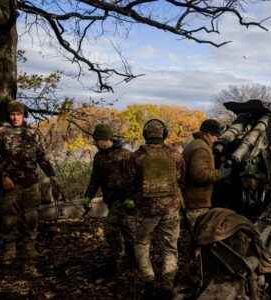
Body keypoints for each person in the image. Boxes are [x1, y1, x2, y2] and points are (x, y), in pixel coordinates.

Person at [0, 100, 58, 276]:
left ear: (23, 115)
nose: (15, 117)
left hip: (30, 183)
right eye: (12, 114)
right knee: (9, 219)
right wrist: (3, 176)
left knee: (31, 218)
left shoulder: (32, 132)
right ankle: (10, 251)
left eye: (18, 114)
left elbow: (41, 156)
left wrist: (52, 174)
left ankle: (30, 251)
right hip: (10, 184)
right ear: (8, 115)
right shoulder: (0, 132)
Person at [128, 119, 184, 298]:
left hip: (147, 211)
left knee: (142, 243)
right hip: (171, 209)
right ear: (164, 134)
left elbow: (130, 183)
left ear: (145, 134)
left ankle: (149, 281)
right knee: (170, 246)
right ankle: (167, 284)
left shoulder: (137, 156)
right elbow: (181, 178)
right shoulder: (175, 155)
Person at [83, 124, 134, 268]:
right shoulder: (99, 157)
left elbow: (134, 178)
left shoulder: (125, 155)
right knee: (126, 229)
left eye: (97, 140)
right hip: (110, 199)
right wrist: (88, 196)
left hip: (124, 198)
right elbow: (95, 179)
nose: (95, 143)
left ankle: (117, 257)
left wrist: (131, 198)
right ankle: (131, 258)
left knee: (111, 228)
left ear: (106, 139)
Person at [182, 119, 228, 228]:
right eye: (215, 136)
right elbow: (200, 175)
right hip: (197, 203)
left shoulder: (194, 144)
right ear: (207, 134)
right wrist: (221, 173)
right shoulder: (201, 148)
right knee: (201, 236)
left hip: (192, 200)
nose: (216, 139)